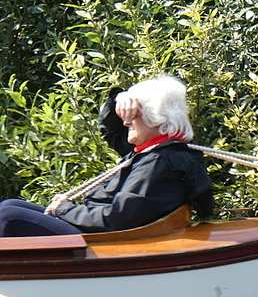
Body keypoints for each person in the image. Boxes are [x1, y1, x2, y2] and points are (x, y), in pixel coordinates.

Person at [0, 75, 213, 236]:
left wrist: (65, 210)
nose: (126, 121)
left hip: (105, 240)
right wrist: (119, 99)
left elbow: (120, 218)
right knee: (10, 205)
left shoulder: (162, 161)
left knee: (8, 217)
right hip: (98, 231)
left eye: (134, 114)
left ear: (156, 117)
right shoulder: (152, 152)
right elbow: (111, 129)